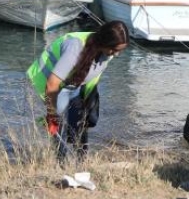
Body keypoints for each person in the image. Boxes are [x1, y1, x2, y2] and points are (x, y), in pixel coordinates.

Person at [26, 20, 129, 162]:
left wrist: (89, 102)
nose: (116, 55)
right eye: (115, 49)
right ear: (105, 42)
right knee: (59, 123)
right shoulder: (74, 48)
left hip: (74, 85)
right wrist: (51, 114)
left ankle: (81, 162)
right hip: (50, 84)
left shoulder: (107, 52)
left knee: (85, 121)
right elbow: (52, 84)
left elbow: (93, 74)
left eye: (120, 50)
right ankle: (60, 163)